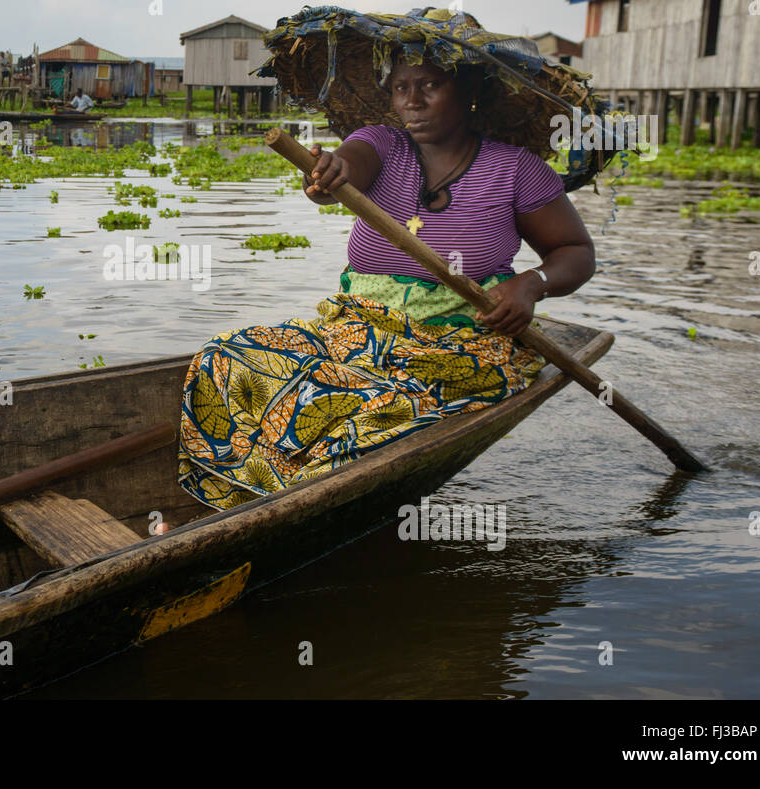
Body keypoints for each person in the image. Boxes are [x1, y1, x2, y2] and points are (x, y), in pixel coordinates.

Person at [176, 51, 595, 511]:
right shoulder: (381, 144)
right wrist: (331, 172)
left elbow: (574, 253)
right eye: (401, 87)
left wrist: (532, 283)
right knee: (224, 354)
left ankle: (303, 495)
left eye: (430, 85)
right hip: (354, 328)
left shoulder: (516, 169)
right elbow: (349, 164)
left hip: (456, 345)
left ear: (471, 93)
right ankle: (243, 489)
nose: (412, 100)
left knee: (363, 406)